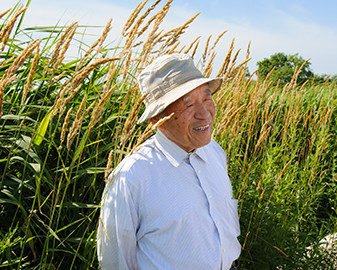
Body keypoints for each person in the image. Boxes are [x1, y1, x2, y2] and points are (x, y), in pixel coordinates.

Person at [97, 54, 241, 270]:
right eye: (188, 104)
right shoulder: (131, 177)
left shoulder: (215, 152)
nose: (204, 114)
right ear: (158, 119)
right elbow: (115, 263)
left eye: (206, 98)